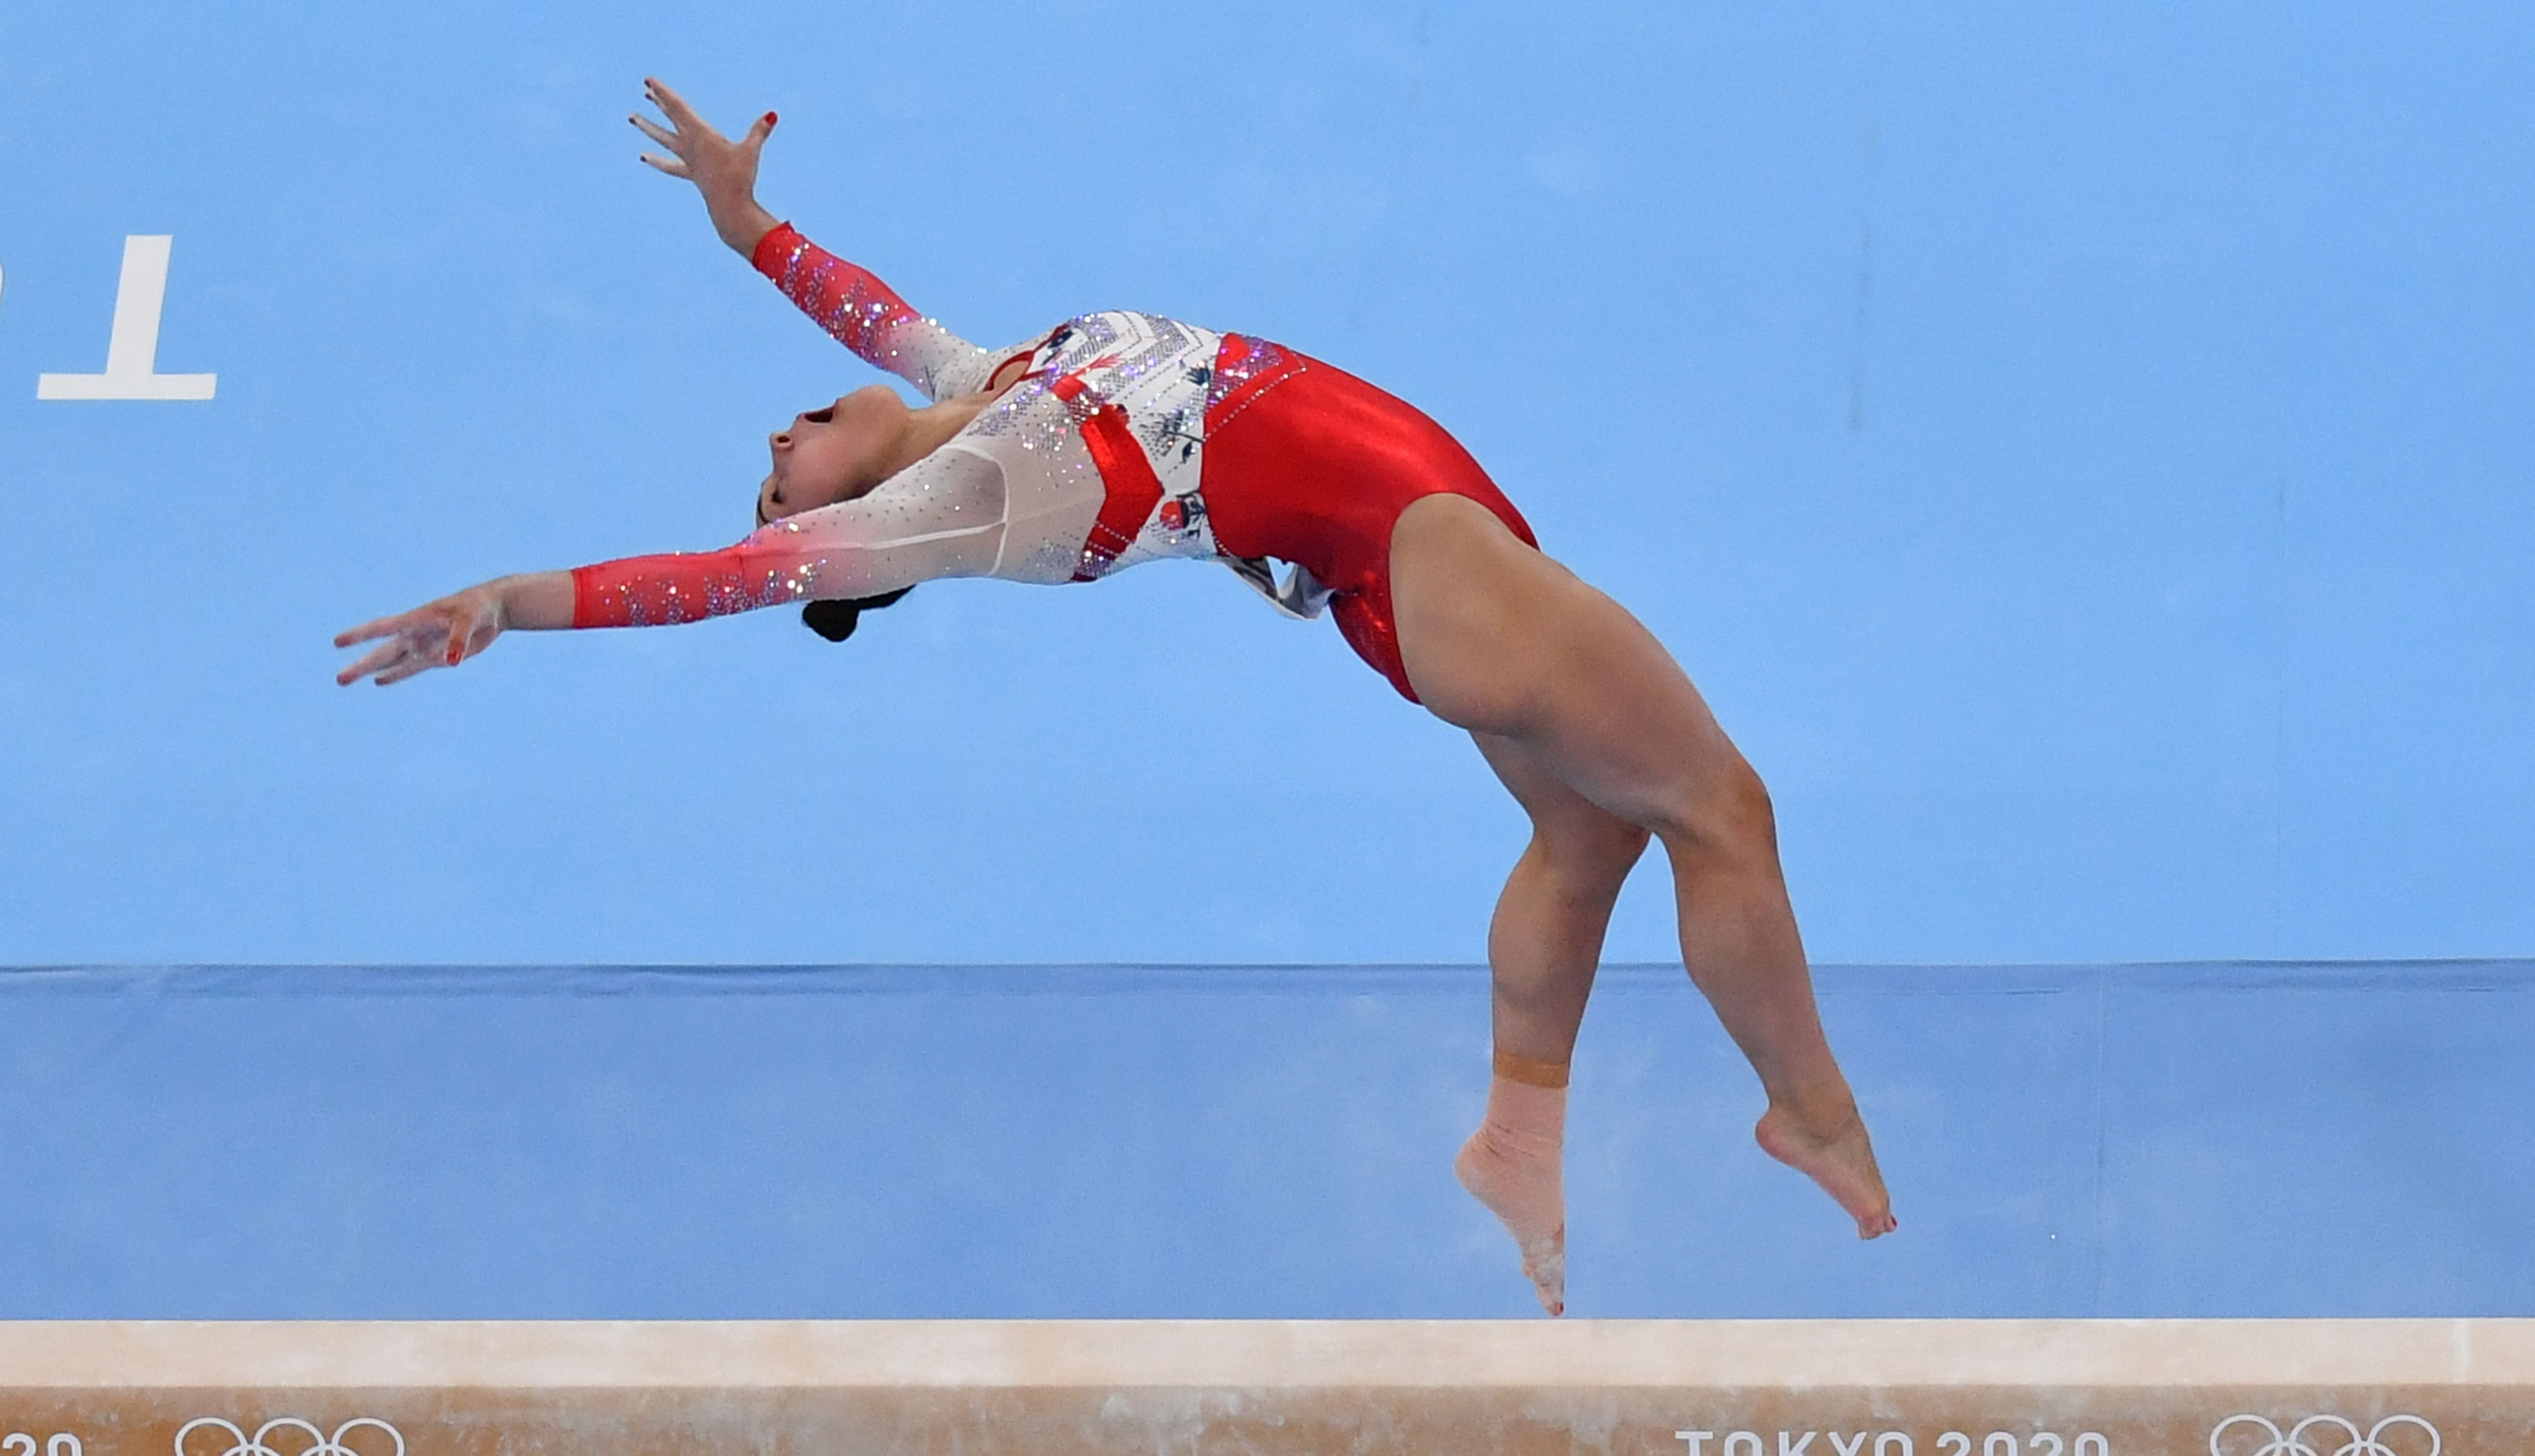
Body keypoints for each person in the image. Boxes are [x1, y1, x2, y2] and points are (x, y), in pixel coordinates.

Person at [337, 81, 1895, 1312]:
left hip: (1414, 550)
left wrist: (748, 227)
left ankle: (1519, 1142)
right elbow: (714, 578)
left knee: (1587, 834)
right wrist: (508, 602)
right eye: (779, 482)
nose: (777, 444)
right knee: (1720, 809)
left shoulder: (986, 391)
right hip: (1419, 559)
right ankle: (1811, 1111)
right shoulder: (961, 500)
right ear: (838, 532)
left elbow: (872, 315)